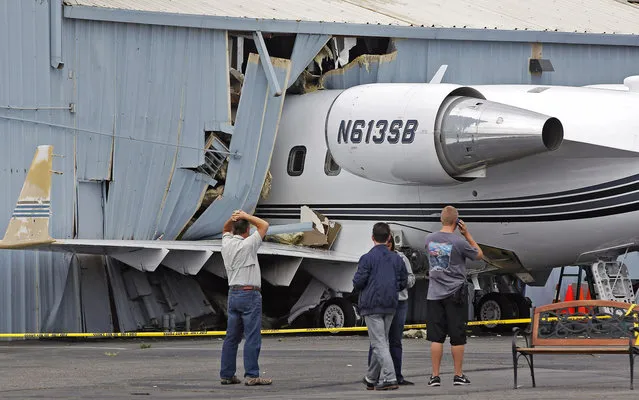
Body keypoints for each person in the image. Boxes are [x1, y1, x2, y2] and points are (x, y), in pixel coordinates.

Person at [424, 206, 483, 387]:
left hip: (434, 294)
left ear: (441, 220)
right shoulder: (459, 242)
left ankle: (435, 376)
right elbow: (479, 255)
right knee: (457, 336)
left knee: (436, 337)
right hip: (455, 293)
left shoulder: (428, 240)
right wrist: (467, 235)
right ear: (457, 223)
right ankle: (458, 375)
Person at [219, 209, 272, 386]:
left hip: (233, 293)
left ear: (234, 229)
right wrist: (246, 216)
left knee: (231, 337)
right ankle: (252, 375)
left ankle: (227, 374)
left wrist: (233, 217)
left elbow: (224, 229)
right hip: (250, 293)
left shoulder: (226, 243)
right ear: (247, 230)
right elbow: (264, 225)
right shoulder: (249, 244)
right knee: (252, 336)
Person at [353, 222, 408, 391]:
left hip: (372, 305)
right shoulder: (397, 259)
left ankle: (390, 378)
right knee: (382, 341)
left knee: (379, 344)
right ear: (389, 237)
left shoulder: (367, 258)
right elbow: (403, 281)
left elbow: (358, 281)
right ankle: (371, 377)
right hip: (391, 305)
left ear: (372, 238)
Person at [367, 237, 416, 385]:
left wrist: (398, 283)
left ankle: (396, 375)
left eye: (389, 244)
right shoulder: (372, 257)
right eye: (385, 244)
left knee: (395, 341)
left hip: (399, 303)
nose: (386, 247)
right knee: (377, 342)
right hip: (381, 303)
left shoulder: (400, 258)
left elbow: (411, 278)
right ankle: (373, 377)